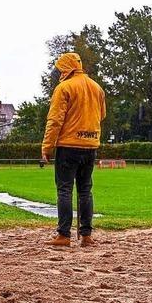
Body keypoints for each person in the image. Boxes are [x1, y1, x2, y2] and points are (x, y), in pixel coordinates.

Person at [41, 53, 106, 247]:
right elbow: (101, 115)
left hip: (68, 146)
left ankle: (64, 235)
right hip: (90, 145)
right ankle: (86, 235)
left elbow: (55, 121)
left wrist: (47, 146)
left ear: (66, 68)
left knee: (64, 190)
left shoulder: (64, 88)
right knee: (85, 190)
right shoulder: (97, 88)